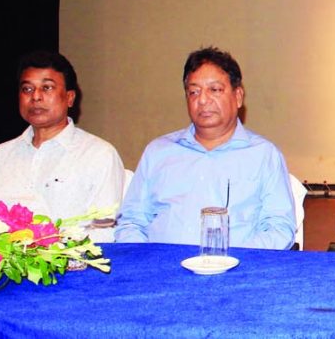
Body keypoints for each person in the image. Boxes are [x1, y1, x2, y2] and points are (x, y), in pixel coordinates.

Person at [116, 47, 296, 249]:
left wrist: (238, 261)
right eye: (194, 92)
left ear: (238, 97)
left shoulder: (264, 155)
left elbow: (279, 229)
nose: (202, 100)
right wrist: (148, 264)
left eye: (215, 90)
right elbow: (131, 222)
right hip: (162, 272)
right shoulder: (158, 152)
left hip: (236, 272)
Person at [0, 50, 124, 223]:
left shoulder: (98, 155)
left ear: (69, 98)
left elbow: (104, 229)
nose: (36, 96)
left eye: (47, 88)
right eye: (27, 89)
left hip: (70, 249)